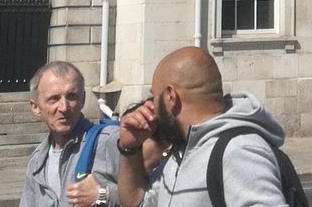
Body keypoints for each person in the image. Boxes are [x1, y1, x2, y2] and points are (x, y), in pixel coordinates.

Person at [115, 46, 296, 207]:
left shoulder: (238, 151)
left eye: (155, 96)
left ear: (170, 96)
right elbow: (137, 202)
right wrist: (130, 148)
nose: (151, 105)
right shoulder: (182, 151)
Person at [20, 60, 120, 207]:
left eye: (72, 96)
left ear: (83, 99)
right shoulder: (37, 161)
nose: (64, 107)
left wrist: (103, 195)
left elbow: (147, 197)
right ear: (35, 107)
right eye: (54, 99)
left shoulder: (109, 142)